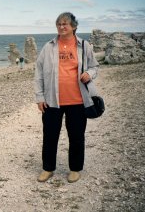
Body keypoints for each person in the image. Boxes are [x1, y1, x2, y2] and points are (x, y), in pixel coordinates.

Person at [34, 12, 99, 183]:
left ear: (74, 26)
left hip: (78, 101)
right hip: (51, 101)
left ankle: (75, 169)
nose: (62, 27)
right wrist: (39, 97)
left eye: (65, 24)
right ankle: (48, 169)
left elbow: (95, 66)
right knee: (49, 136)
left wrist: (89, 74)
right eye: (59, 24)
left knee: (76, 136)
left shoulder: (84, 46)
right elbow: (38, 72)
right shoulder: (48, 47)